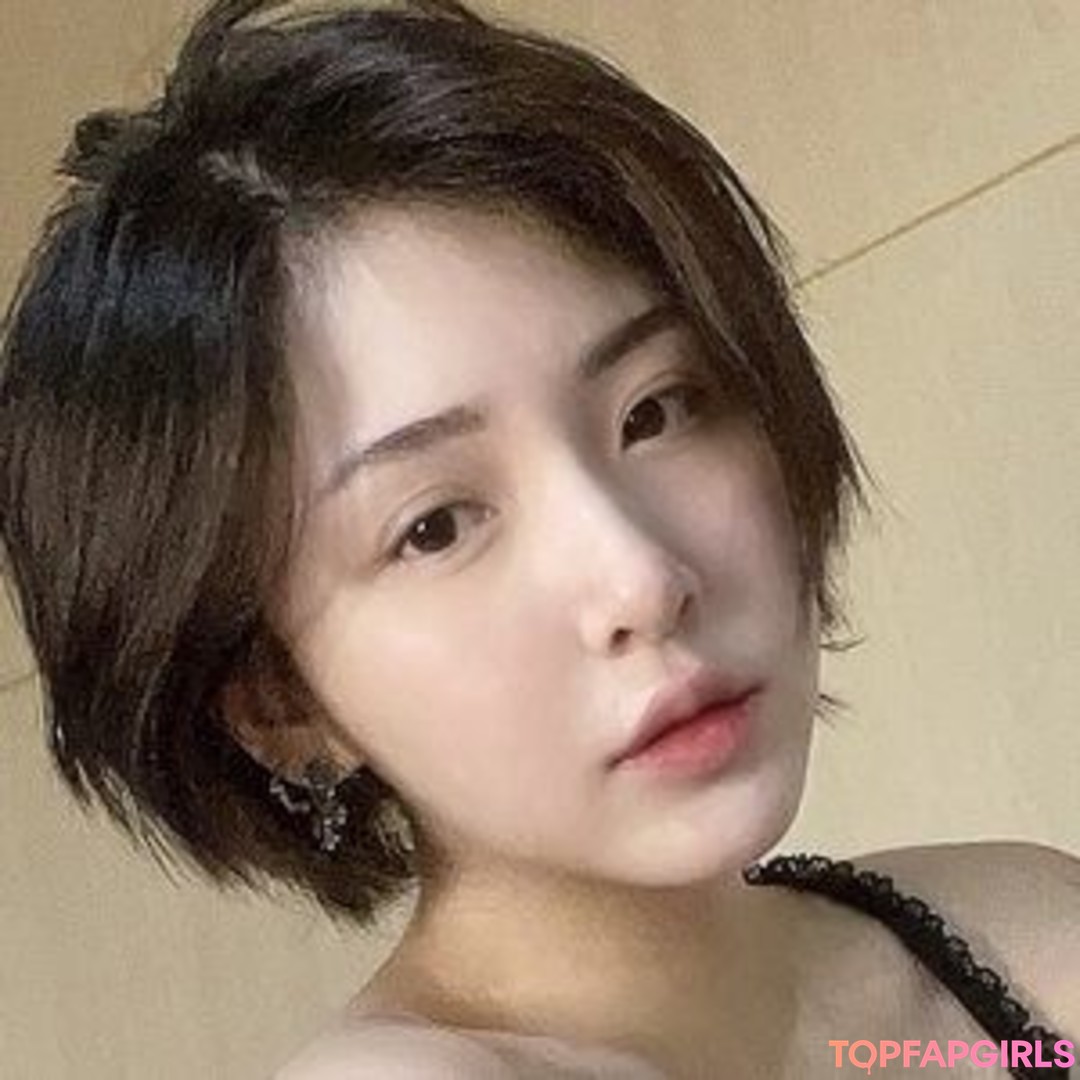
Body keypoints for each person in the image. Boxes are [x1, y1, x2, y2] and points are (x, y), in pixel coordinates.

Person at [0, 1, 1076, 1076]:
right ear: (280, 702)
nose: (642, 580)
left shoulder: (1018, 935)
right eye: (434, 527)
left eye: (654, 412)